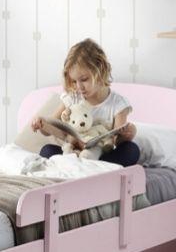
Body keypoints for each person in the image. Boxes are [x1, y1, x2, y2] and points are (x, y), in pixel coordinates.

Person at [31, 38, 140, 166]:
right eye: (74, 81)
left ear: (100, 71)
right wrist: (41, 124)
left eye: (84, 79)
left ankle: (86, 166)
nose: (79, 87)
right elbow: (52, 129)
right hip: (73, 152)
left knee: (131, 150)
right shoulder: (73, 98)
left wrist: (128, 134)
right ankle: (80, 165)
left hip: (100, 155)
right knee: (46, 150)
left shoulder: (118, 104)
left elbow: (117, 141)